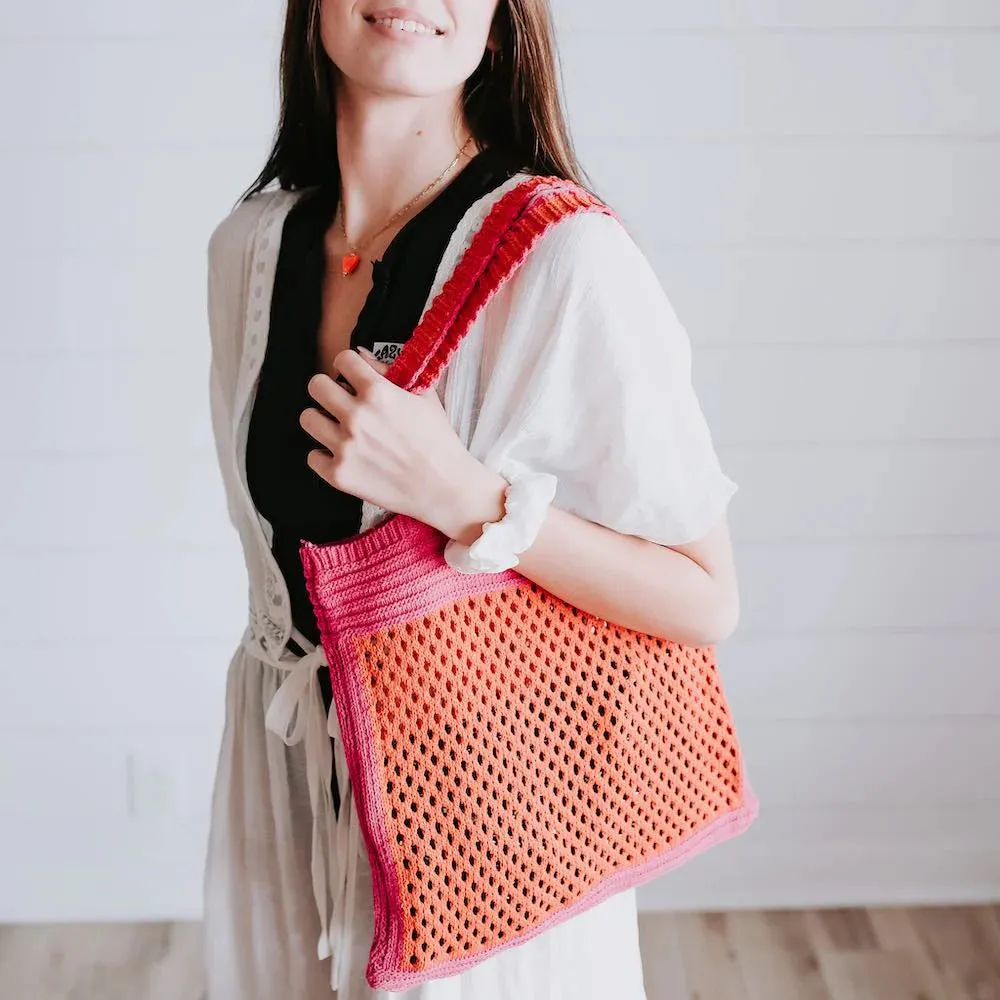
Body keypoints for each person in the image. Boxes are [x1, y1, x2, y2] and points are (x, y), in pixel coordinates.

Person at [204, 1, 740, 997]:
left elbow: (705, 596)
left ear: (498, 24)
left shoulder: (566, 258)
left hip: (489, 823)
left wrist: (469, 497)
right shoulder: (248, 246)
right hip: (282, 802)